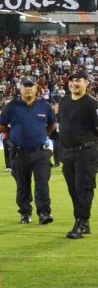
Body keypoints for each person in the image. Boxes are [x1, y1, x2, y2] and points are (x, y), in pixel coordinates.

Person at [0, 76, 57, 225]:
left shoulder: (44, 106)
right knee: (22, 185)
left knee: (42, 184)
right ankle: (25, 213)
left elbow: (52, 124)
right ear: (20, 88)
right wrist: (13, 135)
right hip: (20, 153)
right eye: (26, 85)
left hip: (40, 152)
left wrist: (42, 135)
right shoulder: (11, 106)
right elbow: (0, 125)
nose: (29, 88)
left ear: (36, 88)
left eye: (31, 85)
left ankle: (44, 213)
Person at [58, 70, 98, 239]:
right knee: (73, 189)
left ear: (87, 83)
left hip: (86, 152)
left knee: (84, 188)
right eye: (72, 80)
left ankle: (81, 222)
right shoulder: (64, 101)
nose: (74, 83)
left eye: (78, 80)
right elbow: (62, 125)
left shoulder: (92, 104)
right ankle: (82, 221)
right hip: (68, 153)